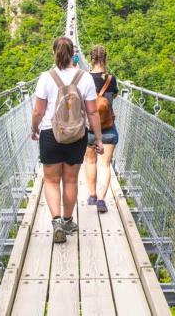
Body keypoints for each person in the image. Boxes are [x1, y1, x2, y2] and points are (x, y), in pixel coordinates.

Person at [31, 36, 104, 244]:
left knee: (51, 180)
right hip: (77, 136)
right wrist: (98, 139)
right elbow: (92, 113)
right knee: (70, 180)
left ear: (54, 53)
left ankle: (56, 223)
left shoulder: (46, 77)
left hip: (50, 134)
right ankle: (68, 220)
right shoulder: (86, 78)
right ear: (74, 54)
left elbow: (38, 110)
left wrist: (34, 129)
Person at [83, 45, 119, 214]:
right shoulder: (112, 79)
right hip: (108, 128)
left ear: (91, 58)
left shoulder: (84, 78)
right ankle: (101, 200)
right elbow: (114, 97)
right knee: (105, 164)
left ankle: (91, 195)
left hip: (89, 128)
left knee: (90, 161)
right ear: (105, 58)